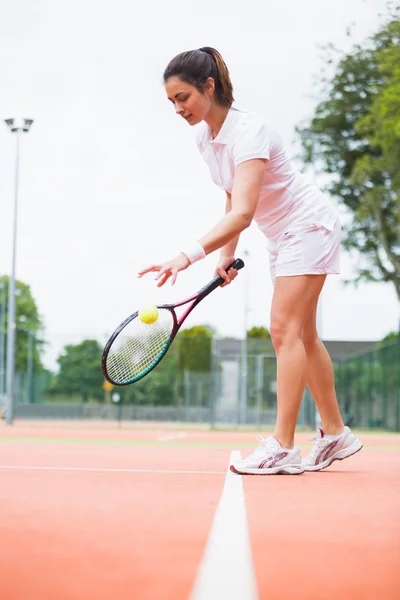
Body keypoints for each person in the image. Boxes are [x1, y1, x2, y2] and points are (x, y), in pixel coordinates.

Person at [138, 46, 363, 475]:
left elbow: (243, 211)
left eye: (182, 97)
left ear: (209, 86)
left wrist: (186, 257)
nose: (177, 108)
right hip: (282, 234)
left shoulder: (251, 130)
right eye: (171, 101)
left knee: (283, 330)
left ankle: (283, 445)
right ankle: (335, 434)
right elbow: (231, 192)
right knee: (304, 335)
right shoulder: (206, 138)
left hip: (307, 225)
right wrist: (226, 254)